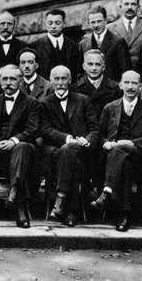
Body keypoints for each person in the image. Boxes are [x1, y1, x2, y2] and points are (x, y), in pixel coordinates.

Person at [90, 71, 142, 232]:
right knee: (125, 164)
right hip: (111, 159)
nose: (130, 87)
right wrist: (106, 143)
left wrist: (131, 143)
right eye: (126, 83)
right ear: (120, 85)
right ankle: (125, 214)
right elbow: (99, 133)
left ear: (141, 87)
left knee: (125, 154)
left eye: (134, 83)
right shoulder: (110, 108)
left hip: (140, 158)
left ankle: (106, 192)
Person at [40, 65, 99, 227]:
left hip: (81, 150)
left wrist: (87, 140)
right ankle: (71, 211)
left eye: (63, 78)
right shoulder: (44, 103)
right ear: (51, 81)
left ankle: (60, 200)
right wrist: (67, 139)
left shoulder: (82, 100)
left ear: (70, 80)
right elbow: (45, 130)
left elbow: (94, 129)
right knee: (70, 156)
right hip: (54, 151)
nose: (60, 82)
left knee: (71, 156)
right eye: (56, 79)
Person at [0, 65, 40, 228]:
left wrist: (13, 141)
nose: (8, 83)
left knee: (21, 148)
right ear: (0, 81)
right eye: (4, 79)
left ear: (21, 81)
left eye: (12, 79)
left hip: (24, 149)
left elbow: (33, 129)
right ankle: (17, 202)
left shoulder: (31, 102)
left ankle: (16, 194)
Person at [79, 6, 130, 82]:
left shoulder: (118, 42)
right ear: (88, 23)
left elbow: (125, 71)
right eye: (93, 22)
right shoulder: (83, 44)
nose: (96, 25)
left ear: (106, 21)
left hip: (112, 90)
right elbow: (80, 72)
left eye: (99, 21)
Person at [31, 9, 81, 82]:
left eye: (57, 23)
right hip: (45, 91)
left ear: (64, 24)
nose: (53, 26)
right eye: (50, 23)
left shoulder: (74, 45)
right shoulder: (35, 46)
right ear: (46, 24)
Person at [70, 50, 122, 120]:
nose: (94, 68)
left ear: (103, 67)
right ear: (84, 66)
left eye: (98, 64)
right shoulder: (74, 89)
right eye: (90, 64)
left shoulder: (116, 89)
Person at [108, 0, 142, 70]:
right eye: (126, 4)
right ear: (120, 7)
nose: (130, 7)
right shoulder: (110, 28)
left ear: (138, 7)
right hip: (118, 77)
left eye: (133, 4)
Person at [0, 12, 29, 87]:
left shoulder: (24, 46)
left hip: (17, 88)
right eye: (2, 23)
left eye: (9, 24)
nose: (5, 27)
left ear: (14, 26)